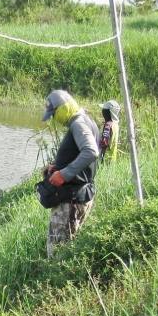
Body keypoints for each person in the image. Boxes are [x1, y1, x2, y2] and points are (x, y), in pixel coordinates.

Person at [41, 89, 100, 257]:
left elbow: (91, 151)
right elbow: (82, 154)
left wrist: (64, 174)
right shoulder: (86, 121)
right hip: (78, 195)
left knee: (57, 253)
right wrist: (58, 166)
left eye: (54, 114)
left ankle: (54, 282)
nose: (54, 119)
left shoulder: (78, 123)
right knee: (68, 247)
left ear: (64, 108)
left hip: (71, 199)